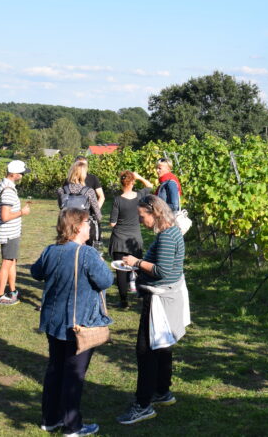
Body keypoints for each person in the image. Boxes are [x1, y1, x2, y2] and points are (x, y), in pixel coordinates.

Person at [31, 208, 113, 436]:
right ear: (77, 227)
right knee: (73, 374)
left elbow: (36, 272)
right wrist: (99, 262)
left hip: (53, 321)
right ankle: (72, 426)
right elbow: (106, 280)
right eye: (87, 223)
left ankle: (50, 418)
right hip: (79, 324)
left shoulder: (51, 250)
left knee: (55, 369)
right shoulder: (86, 254)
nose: (90, 227)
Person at [117, 196, 189, 426]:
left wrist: (136, 263)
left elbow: (162, 270)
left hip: (159, 300)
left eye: (142, 216)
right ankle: (162, 391)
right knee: (162, 346)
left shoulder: (168, 236)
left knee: (146, 351)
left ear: (155, 213)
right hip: (168, 298)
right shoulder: (172, 231)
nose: (141, 221)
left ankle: (143, 404)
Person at [0, 160, 31, 305]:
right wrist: (22, 212)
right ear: (13, 174)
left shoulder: (3, 185)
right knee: (7, 262)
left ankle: (13, 291)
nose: (22, 176)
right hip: (8, 232)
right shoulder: (8, 191)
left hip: (8, 231)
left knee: (12, 261)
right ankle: (0, 296)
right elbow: (5, 216)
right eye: (20, 173)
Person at [108, 171, 147, 308]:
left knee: (120, 271)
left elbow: (112, 223)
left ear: (121, 182)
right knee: (138, 268)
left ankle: (124, 301)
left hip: (119, 240)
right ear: (133, 182)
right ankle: (142, 297)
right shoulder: (140, 197)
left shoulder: (117, 200)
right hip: (135, 239)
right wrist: (140, 177)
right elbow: (150, 185)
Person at [57, 159, 100, 246]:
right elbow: (97, 213)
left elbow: (61, 206)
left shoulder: (62, 190)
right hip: (82, 229)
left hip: (66, 227)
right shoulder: (89, 191)